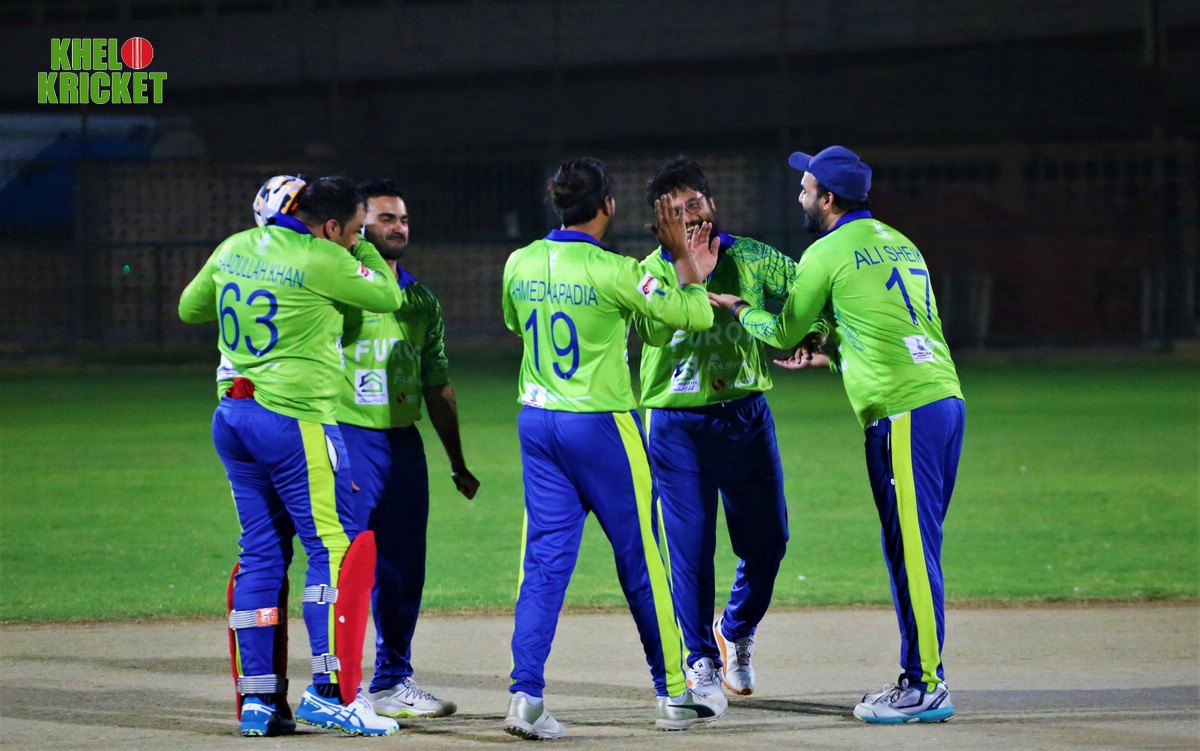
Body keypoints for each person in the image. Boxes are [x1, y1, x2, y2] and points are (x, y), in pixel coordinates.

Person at [708, 145, 964, 724]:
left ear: (827, 199)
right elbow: (893, 328)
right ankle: (921, 678)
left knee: (913, 554)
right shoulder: (900, 241)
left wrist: (738, 306)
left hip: (903, 414)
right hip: (943, 401)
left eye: (805, 189)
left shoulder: (825, 252)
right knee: (914, 548)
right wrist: (836, 356)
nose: (799, 196)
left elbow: (781, 331)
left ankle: (925, 684)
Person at [499, 157, 726, 740]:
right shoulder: (616, 270)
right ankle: (673, 694)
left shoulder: (519, 262)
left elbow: (515, 323)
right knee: (643, 561)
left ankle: (525, 697)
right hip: (600, 427)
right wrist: (682, 259)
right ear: (607, 206)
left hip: (537, 424)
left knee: (543, 565)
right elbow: (695, 314)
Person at [179, 176, 405, 737]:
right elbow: (388, 295)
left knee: (260, 554)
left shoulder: (235, 246)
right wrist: (363, 249)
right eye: (351, 229)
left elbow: (190, 308)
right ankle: (331, 693)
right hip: (294, 420)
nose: (355, 238)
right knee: (334, 550)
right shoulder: (323, 257)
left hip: (232, 414)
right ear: (330, 226)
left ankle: (258, 701)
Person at [631, 156, 796, 698]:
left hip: (746, 416)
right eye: (676, 212)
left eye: (696, 204)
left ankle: (736, 629)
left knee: (770, 539)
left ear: (712, 203)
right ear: (661, 224)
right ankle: (699, 659)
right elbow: (652, 335)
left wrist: (813, 332)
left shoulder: (752, 256)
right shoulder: (648, 274)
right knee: (691, 547)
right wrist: (692, 276)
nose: (692, 217)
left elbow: (807, 292)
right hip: (676, 425)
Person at [337, 179, 480, 719]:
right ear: (358, 226)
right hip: (349, 437)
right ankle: (338, 687)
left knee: (403, 569)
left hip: (403, 443)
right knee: (346, 566)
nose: (398, 227)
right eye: (385, 218)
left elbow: (436, 384)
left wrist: (457, 461)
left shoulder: (420, 300)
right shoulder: (340, 288)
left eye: (402, 219)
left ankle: (391, 681)